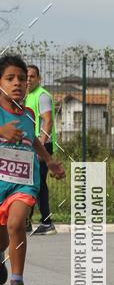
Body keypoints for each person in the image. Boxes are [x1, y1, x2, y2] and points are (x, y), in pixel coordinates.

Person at [0, 55, 64, 285]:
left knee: (16, 224)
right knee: (2, 236)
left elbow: (33, 140)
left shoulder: (28, 114)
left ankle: (17, 282)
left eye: (22, 79)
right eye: (10, 78)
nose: (17, 83)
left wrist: (48, 161)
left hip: (23, 180)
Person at [25, 64, 58, 234]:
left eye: (32, 76)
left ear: (39, 79)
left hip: (41, 145)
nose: (28, 79)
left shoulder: (42, 96)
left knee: (38, 184)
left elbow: (47, 121)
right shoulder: (27, 96)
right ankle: (26, 221)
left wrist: (41, 147)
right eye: (27, 76)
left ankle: (47, 222)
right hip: (31, 144)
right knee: (30, 182)